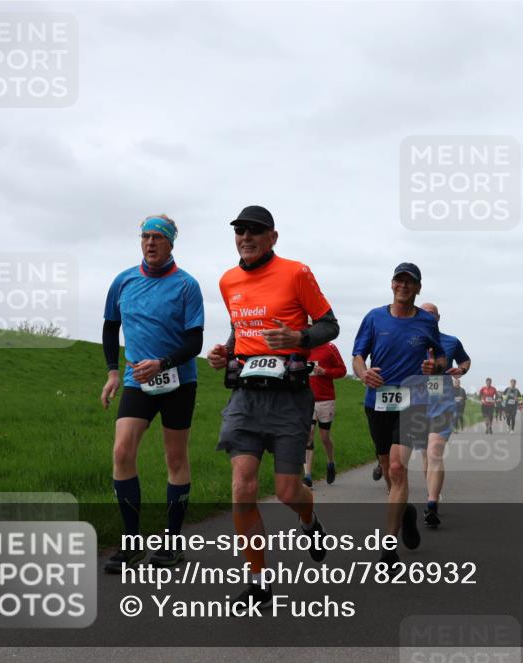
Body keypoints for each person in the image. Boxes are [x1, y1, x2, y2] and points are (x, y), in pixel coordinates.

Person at [206, 205, 340, 608]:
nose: (245, 237)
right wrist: (224, 354)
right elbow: (238, 329)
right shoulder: (228, 281)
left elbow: (329, 324)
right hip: (245, 397)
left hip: (288, 398)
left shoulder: (296, 272)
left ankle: (308, 519)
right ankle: (259, 582)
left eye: (254, 231)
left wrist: (297, 337)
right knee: (242, 488)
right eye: (239, 231)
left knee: (286, 491)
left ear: (273, 237)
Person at [100, 214, 204, 572]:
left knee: (175, 459)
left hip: (178, 381)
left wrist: (162, 363)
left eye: (158, 237)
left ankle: (173, 544)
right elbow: (111, 327)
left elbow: (195, 341)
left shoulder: (186, 285)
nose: (150, 243)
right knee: (122, 450)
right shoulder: (123, 281)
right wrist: (113, 371)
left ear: (171, 243)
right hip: (136, 381)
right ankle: (131, 545)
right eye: (145, 236)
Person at [352, 263, 446, 564]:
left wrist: (436, 367)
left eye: (410, 282)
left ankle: (388, 547)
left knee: (396, 468)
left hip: (412, 401)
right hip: (377, 401)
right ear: (392, 284)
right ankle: (406, 512)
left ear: (418, 288)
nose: (404, 286)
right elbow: (357, 356)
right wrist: (364, 373)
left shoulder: (426, 322)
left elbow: (441, 357)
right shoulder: (374, 317)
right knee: (387, 468)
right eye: (399, 280)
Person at [419, 302, 470, 528]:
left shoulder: (451, 341)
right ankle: (432, 492)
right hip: (417, 403)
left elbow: (465, 360)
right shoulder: (409, 339)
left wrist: (462, 369)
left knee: (434, 451)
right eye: (424, 313)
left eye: (432, 314)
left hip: (442, 402)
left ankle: (432, 504)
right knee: (424, 455)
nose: (428, 317)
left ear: (438, 318)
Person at [303, 341, 347, 487]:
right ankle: (307, 475)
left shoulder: (330, 348)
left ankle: (330, 462)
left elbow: (342, 370)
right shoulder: (301, 347)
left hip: (326, 399)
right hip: (306, 399)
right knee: (308, 435)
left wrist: (325, 372)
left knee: (324, 437)